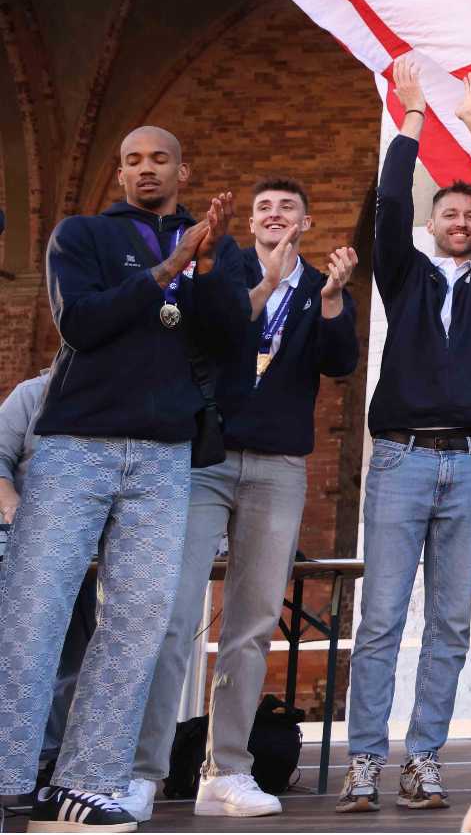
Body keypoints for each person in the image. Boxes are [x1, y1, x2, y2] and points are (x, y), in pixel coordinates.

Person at [0, 125, 248, 830]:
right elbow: (81, 323)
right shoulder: (82, 237)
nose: (147, 170)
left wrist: (204, 268)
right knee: (33, 612)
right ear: (119, 173)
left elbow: (231, 336)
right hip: (76, 446)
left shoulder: (214, 246)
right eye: (134, 160)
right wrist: (169, 267)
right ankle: (9, 775)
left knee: (137, 622)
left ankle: (87, 781)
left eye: (160, 159)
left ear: (183, 168)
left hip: (165, 454)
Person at [127, 177, 360, 820]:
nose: (276, 215)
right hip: (209, 460)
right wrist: (258, 283)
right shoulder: (224, 273)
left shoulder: (321, 288)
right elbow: (209, 340)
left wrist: (335, 299)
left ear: (306, 221)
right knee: (175, 615)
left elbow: (341, 363)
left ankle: (226, 770)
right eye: (265, 208)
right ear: (251, 222)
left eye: (288, 207)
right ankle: (143, 772)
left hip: (280, 466)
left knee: (253, 624)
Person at [339, 59, 471, 813]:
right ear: (432, 226)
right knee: (382, 616)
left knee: (450, 620)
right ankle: (364, 762)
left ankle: (423, 758)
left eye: (469, 218)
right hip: (401, 460)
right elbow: (389, 202)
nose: (462, 223)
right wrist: (414, 118)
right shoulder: (404, 273)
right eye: (449, 215)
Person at [0, 367, 86, 793]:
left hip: (93, 558)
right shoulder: (30, 395)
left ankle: (54, 760)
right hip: (30, 550)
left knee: (79, 660)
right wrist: (12, 505)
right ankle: (19, 760)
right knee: (25, 655)